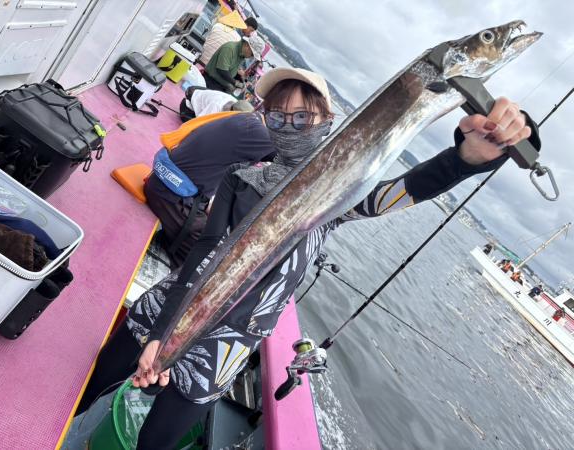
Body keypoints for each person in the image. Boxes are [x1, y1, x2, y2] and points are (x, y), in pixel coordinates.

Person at [76, 68, 540, 449]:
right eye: (277, 117)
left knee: (154, 444)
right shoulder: (241, 177)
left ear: (327, 121)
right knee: (87, 388)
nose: (288, 126)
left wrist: (466, 159)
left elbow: (408, 189)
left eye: (303, 117)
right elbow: (202, 252)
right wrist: (163, 334)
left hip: (223, 351)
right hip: (170, 309)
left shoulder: (337, 202)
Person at [143, 110, 275, 268]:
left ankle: (172, 240)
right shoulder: (263, 135)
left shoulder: (247, 117)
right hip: (172, 197)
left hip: (163, 183)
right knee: (214, 260)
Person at [178, 86, 254, 122]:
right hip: (189, 103)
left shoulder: (236, 102)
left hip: (200, 95)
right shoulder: (217, 106)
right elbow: (198, 123)